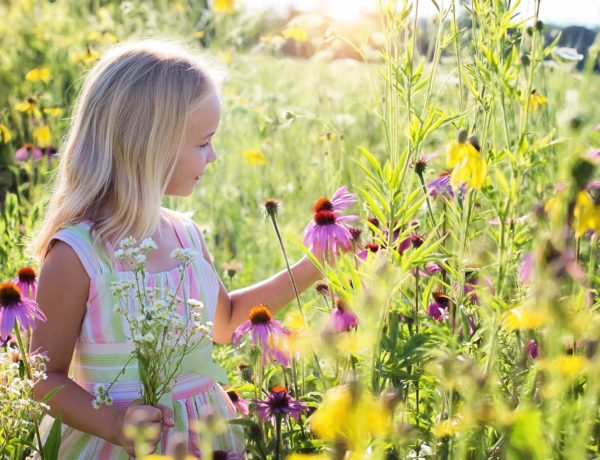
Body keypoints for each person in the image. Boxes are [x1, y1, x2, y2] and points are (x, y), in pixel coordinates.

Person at [29, 38, 326, 459]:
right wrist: (114, 423)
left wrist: (313, 264)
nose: (215, 155)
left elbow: (224, 323)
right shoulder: (78, 254)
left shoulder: (186, 235)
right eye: (203, 142)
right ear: (150, 147)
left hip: (205, 439)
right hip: (113, 446)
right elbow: (44, 379)